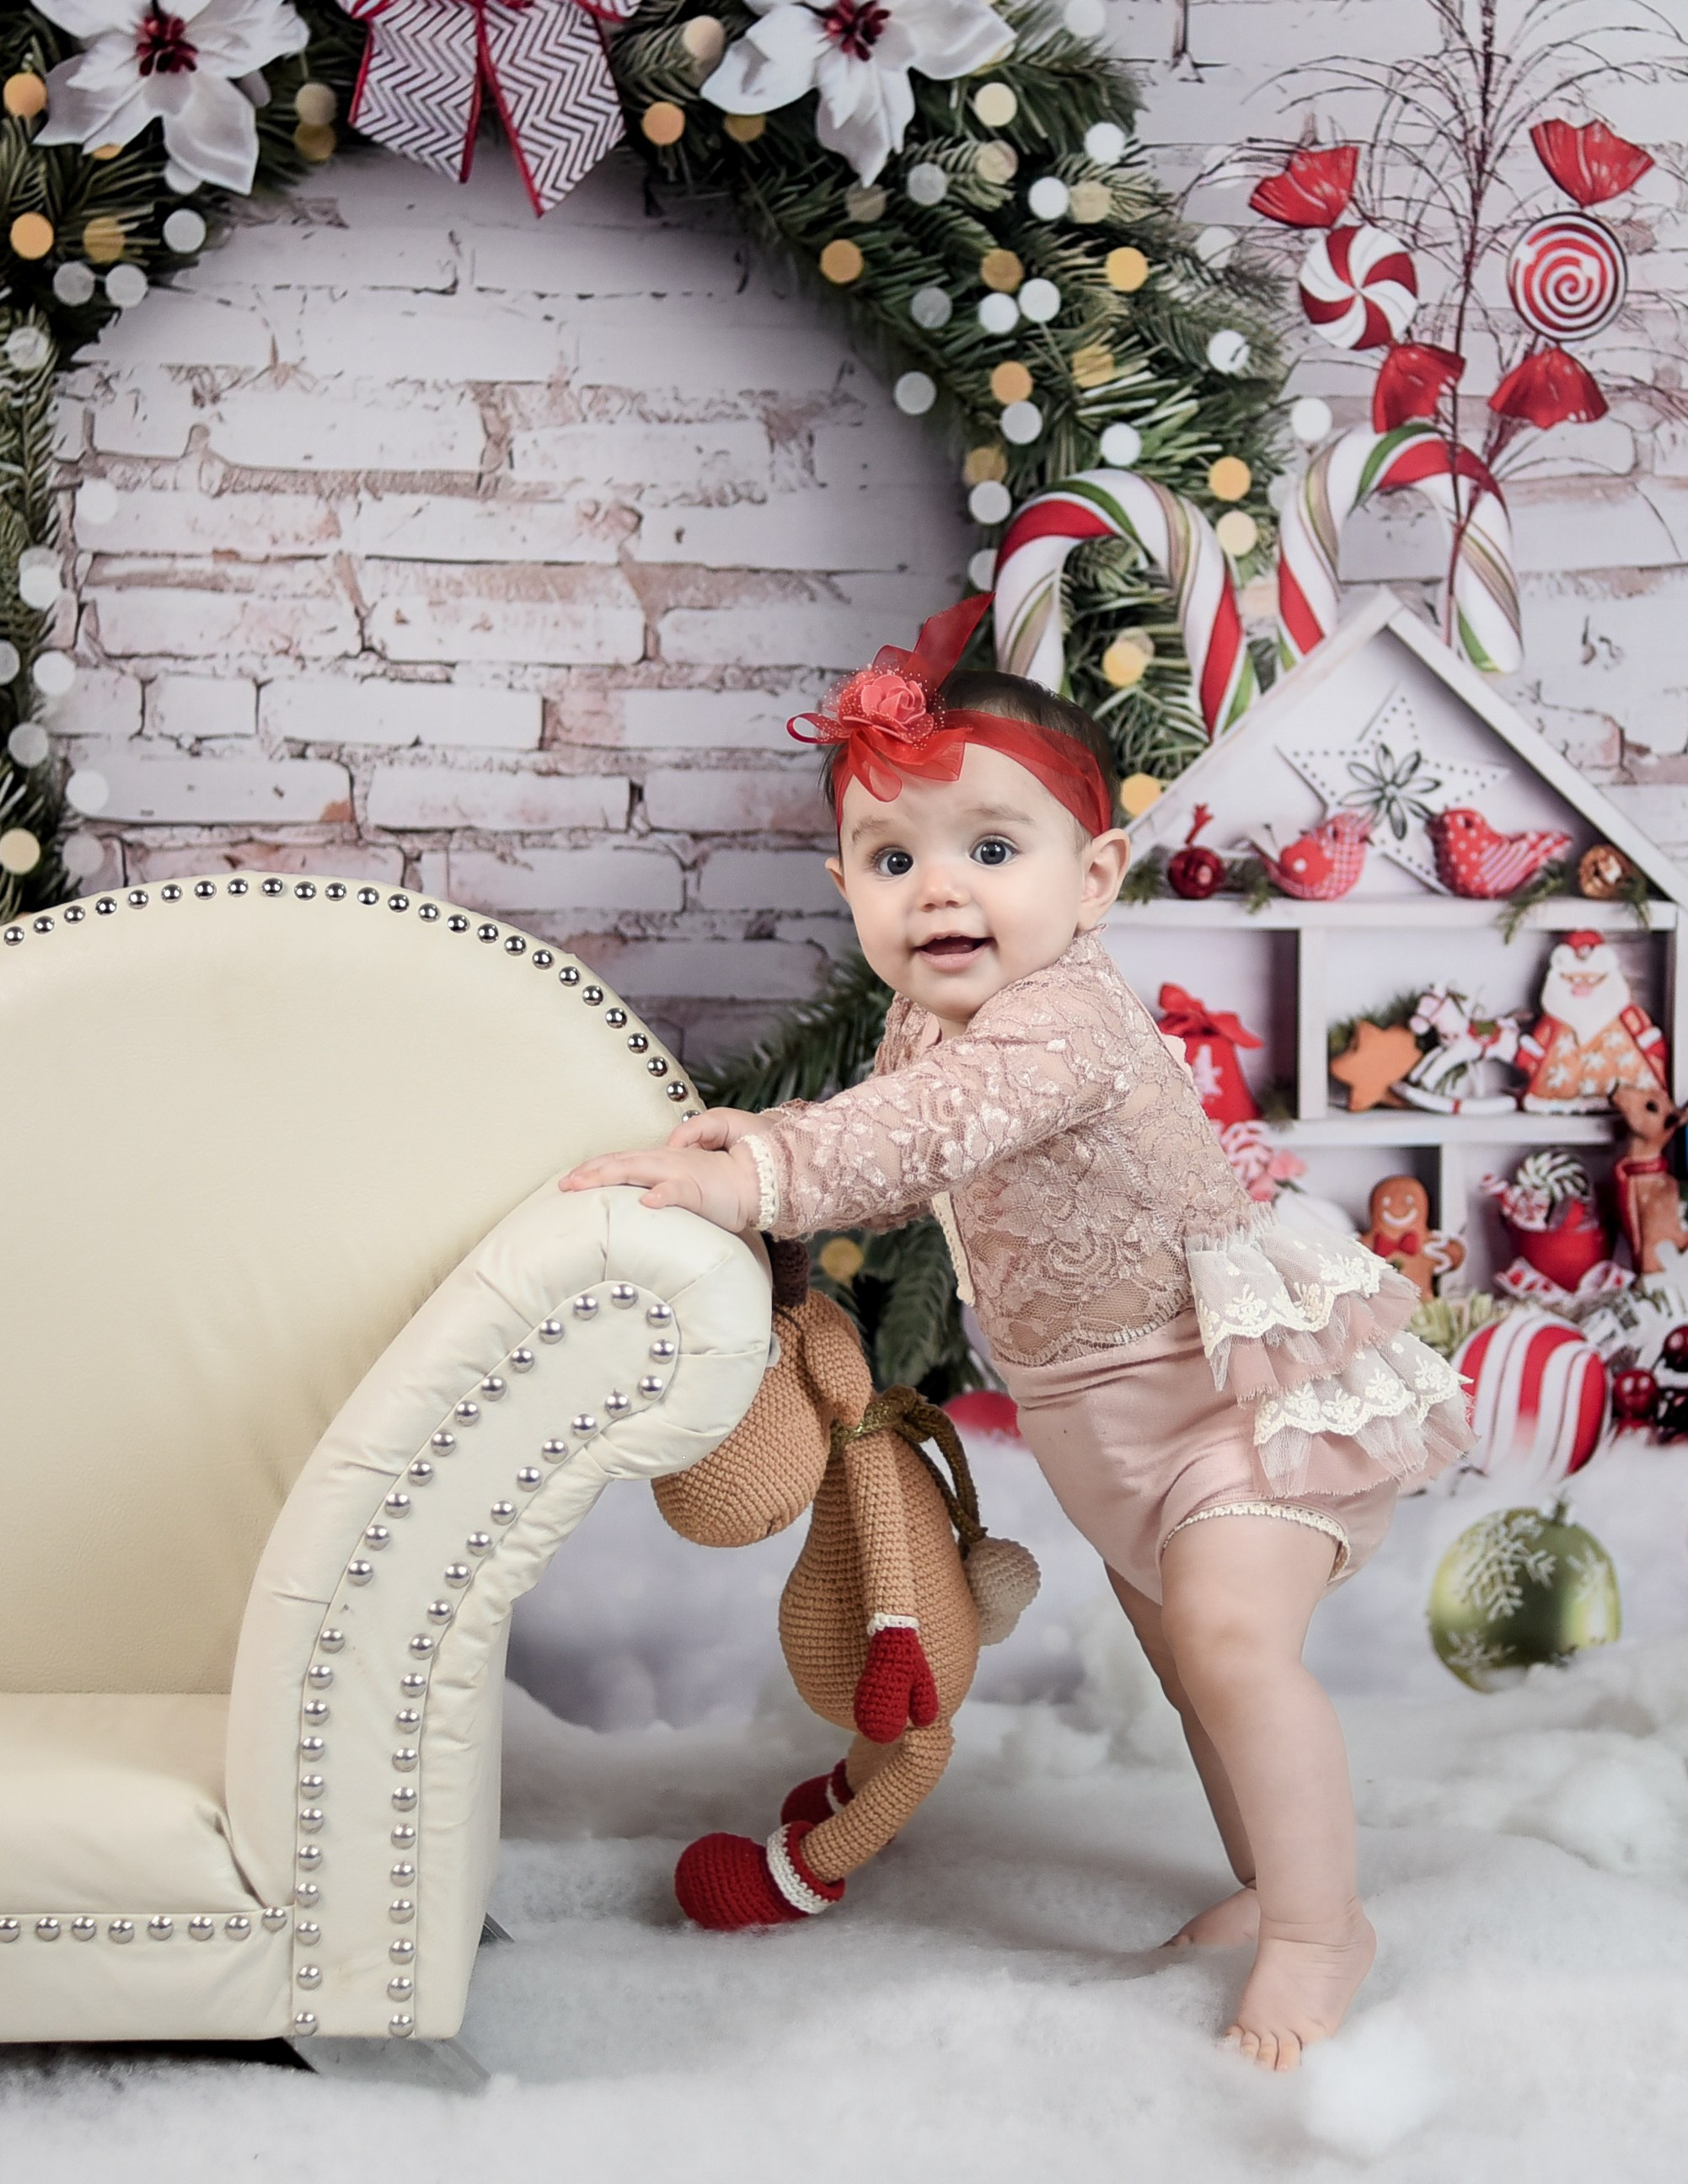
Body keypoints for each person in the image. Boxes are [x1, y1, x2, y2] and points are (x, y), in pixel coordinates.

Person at [561, 596, 1470, 2072]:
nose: (939, 891)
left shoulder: (1066, 1023)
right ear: (849, 885)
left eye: (993, 849)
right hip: (1103, 1428)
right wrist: (775, 1131)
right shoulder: (936, 1024)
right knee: (1194, 1671)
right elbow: (899, 1134)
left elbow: (925, 1130)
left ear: (1095, 876)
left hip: (1222, 1397)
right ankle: (1272, 1883)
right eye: (892, 857)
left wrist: (758, 1177)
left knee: (1238, 1644)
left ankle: (1323, 1927)